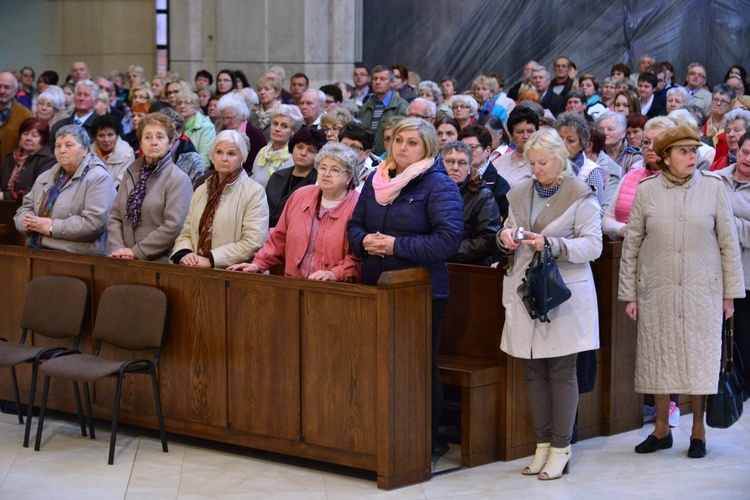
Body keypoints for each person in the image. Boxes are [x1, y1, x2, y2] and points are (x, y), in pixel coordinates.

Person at [619, 125, 744, 459]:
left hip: (702, 288)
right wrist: (629, 294)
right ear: (666, 157)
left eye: (694, 150)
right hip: (656, 287)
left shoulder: (713, 188)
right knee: (659, 358)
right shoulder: (647, 190)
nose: (692, 156)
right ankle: (661, 430)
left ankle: (698, 432)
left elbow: (728, 243)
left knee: (699, 359)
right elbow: (632, 244)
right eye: (683, 151)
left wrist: (729, 294)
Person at [347, 117, 463, 462]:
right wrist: (364, 240)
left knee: (418, 366)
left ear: (427, 148)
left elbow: (447, 241)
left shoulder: (438, 185)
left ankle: (426, 438)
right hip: (377, 284)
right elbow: (354, 225)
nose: (403, 148)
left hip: (420, 291)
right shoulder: (376, 179)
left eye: (412, 143)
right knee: (377, 362)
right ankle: (382, 432)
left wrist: (397, 246)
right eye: (399, 140)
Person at [497, 128, 602, 480]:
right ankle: (541, 444)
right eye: (532, 163)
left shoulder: (580, 195)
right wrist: (506, 237)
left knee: (560, 371)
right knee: (532, 371)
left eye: (543, 162)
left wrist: (552, 243)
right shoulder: (520, 193)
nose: (537, 168)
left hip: (562, 293)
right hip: (526, 290)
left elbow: (593, 246)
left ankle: (561, 446)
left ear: (561, 160)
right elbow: (508, 228)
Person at [229, 142, 361, 281]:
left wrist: (335, 274)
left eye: (335, 170)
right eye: (323, 168)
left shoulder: (358, 206)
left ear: (349, 177)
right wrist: (258, 264)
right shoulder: (300, 196)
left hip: (336, 290)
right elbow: (279, 239)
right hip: (294, 285)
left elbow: (359, 257)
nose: (326, 174)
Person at [171, 129, 268, 269]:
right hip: (194, 269)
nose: (224, 158)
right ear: (212, 156)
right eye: (219, 152)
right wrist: (186, 254)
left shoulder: (254, 192)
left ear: (242, 158)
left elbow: (254, 241)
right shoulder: (201, 189)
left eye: (231, 154)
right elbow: (186, 231)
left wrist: (211, 260)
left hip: (232, 274)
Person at [14, 124, 116, 254]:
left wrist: (51, 227)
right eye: (58, 146)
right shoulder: (46, 175)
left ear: (85, 150)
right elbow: (25, 208)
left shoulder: (98, 178)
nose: (62, 150)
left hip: (78, 256)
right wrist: (28, 223)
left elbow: (95, 224)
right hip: (37, 251)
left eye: (69, 145)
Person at [108, 113, 193, 261]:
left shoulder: (178, 179)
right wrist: (118, 249)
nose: (153, 142)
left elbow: (174, 226)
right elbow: (115, 216)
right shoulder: (131, 172)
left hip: (160, 262)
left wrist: (137, 252)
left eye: (160, 137)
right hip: (123, 258)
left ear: (170, 143)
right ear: (140, 143)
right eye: (147, 137)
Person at [602, 117, 675, 240]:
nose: (650, 148)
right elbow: (607, 218)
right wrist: (622, 229)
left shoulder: (680, 180)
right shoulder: (630, 176)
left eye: (657, 142)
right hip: (627, 249)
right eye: (646, 142)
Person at [717, 132, 750, 393]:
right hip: (715, 271)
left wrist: (727, 223)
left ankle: (742, 387)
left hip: (746, 275)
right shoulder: (718, 179)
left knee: (743, 335)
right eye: (745, 152)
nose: (747, 159)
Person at [442, 141, 501, 265]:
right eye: (450, 162)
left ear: (470, 168)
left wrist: (447, 250)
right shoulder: (429, 191)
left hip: (469, 266)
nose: (455, 168)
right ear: (440, 164)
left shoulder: (482, 195)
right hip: (431, 260)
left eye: (462, 163)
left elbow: (487, 239)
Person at [265, 127, 326, 227]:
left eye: (311, 151)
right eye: (299, 147)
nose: (303, 153)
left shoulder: (318, 183)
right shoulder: (277, 176)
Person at [554, 112, 609, 207]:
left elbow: (594, 211)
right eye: (559, 139)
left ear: (582, 145)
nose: (563, 144)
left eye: (570, 140)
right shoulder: (547, 164)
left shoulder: (592, 172)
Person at [458, 124, 510, 220]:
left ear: (487, 150)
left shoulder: (500, 186)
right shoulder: (454, 177)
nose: (467, 153)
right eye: (463, 148)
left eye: (472, 148)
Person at [357, 65, 409, 155]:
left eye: (383, 79)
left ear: (392, 83)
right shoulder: (365, 108)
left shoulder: (402, 106)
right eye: (375, 79)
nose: (378, 82)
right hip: (367, 157)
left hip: (390, 157)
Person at [0, 118, 56, 201]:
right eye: (25, 134)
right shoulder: (10, 156)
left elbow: (36, 192)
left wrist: (4, 196)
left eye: (34, 136)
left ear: (43, 139)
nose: (28, 138)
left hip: (29, 210)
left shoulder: (48, 160)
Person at [250, 104, 303, 189]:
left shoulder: (295, 157)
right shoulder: (262, 152)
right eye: (275, 124)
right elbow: (251, 181)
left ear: (294, 132)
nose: (277, 129)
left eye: (284, 126)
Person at [216, 92, 267, 173]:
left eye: (229, 118)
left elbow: (256, 166)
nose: (225, 122)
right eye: (223, 118)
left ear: (242, 115)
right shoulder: (223, 132)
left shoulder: (256, 136)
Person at [494, 106, 539, 188]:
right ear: (511, 135)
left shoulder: (543, 162)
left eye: (530, 131)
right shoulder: (498, 162)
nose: (526, 136)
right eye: (520, 132)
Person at [89, 114, 134, 189]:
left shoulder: (127, 154)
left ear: (117, 135)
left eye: (110, 135)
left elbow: (122, 183)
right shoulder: (88, 154)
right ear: (95, 137)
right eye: (101, 135)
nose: (106, 140)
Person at [177, 89, 216, 167]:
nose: (182, 106)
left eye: (187, 102)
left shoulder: (207, 127)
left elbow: (205, 159)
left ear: (196, 107)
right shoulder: (174, 126)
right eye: (179, 103)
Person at [0, 72, 35, 158]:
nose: (2, 91)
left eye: (7, 87)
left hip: (11, 167)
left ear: (15, 90)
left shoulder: (25, 115)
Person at [338, 121, 380, 191]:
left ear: (367, 153)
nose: (346, 151)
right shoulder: (327, 167)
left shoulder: (377, 176)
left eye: (354, 147)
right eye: (343, 145)